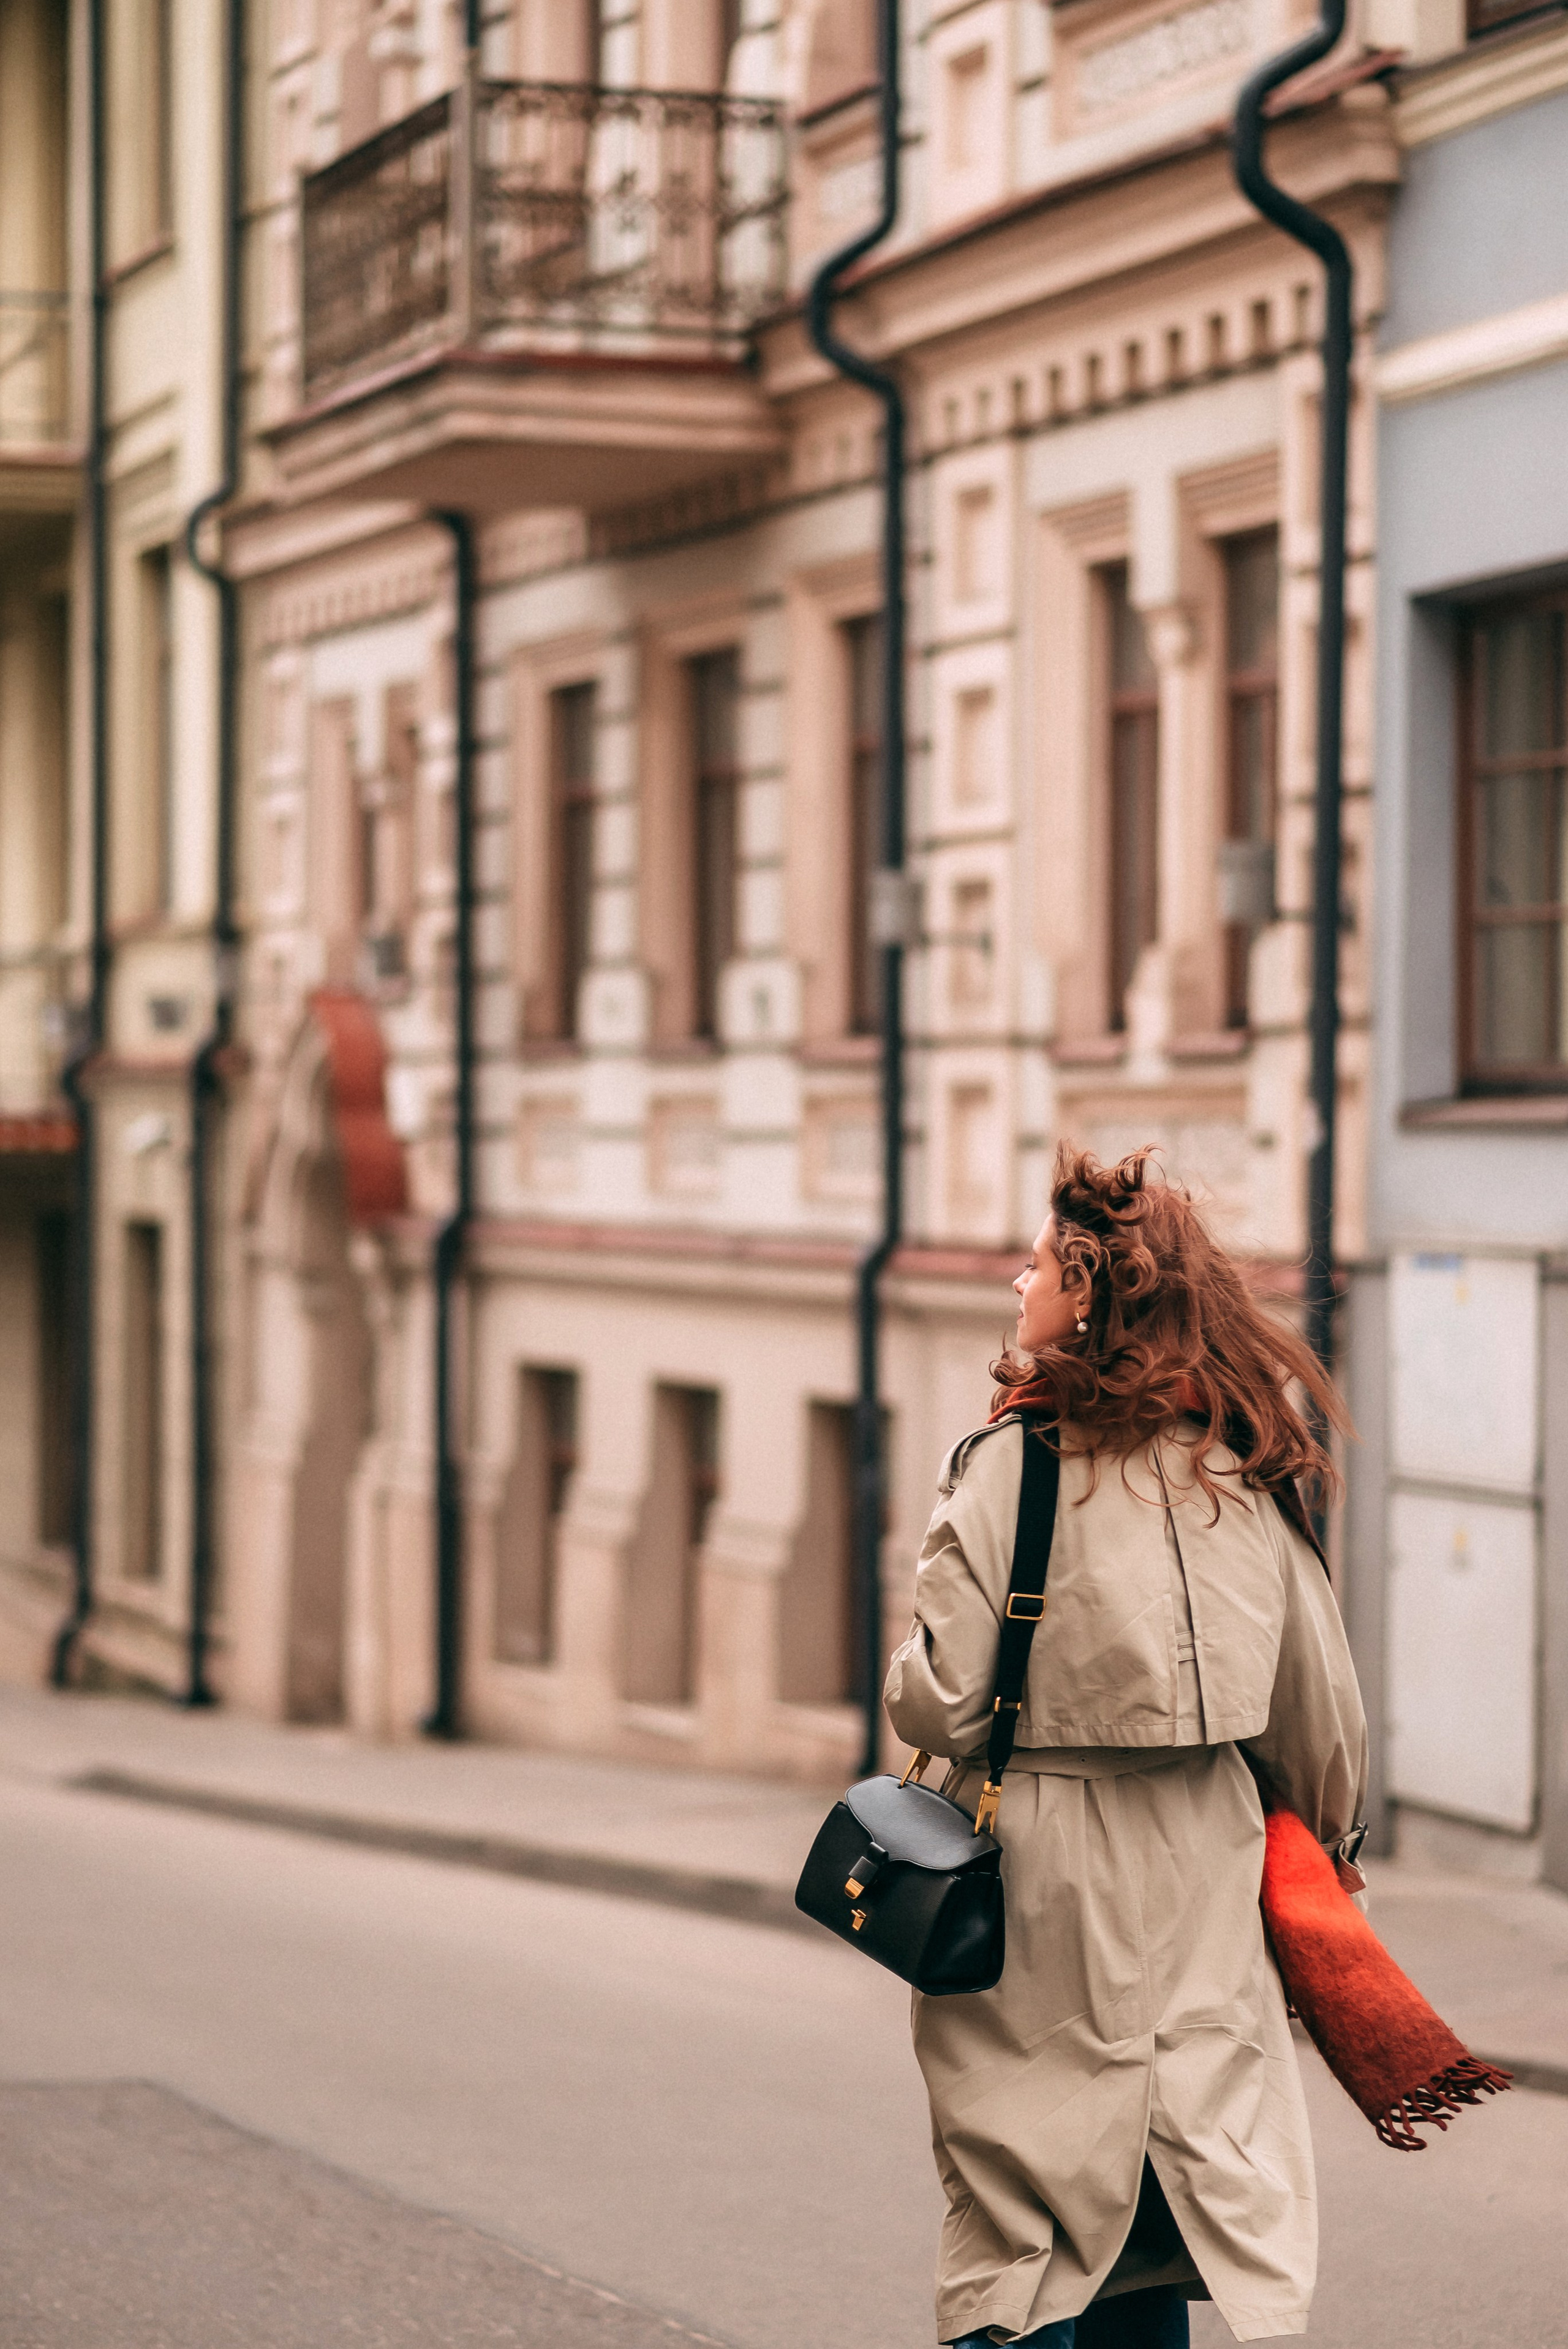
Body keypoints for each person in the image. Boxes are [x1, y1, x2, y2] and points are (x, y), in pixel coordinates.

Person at [884, 1145, 1368, 2348]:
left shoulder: (1006, 1467)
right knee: (1165, 2200)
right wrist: (1328, 1860)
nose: (1017, 1276)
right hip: (1203, 1858)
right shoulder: (1239, 1465)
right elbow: (1320, 1709)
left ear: (1087, 1295)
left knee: (1023, 2211)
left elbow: (942, 1704)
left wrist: (908, 1672)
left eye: (1040, 1261)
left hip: (1038, 1873)